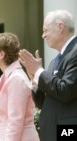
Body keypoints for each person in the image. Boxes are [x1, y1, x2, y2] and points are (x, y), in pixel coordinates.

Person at [19, 9, 77, 141]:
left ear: (60, 27)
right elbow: (43, 103)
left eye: (45, 30)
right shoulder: (53, 62)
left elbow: (66, 91)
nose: (43, 36)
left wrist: (39, 71)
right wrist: (35, 78)